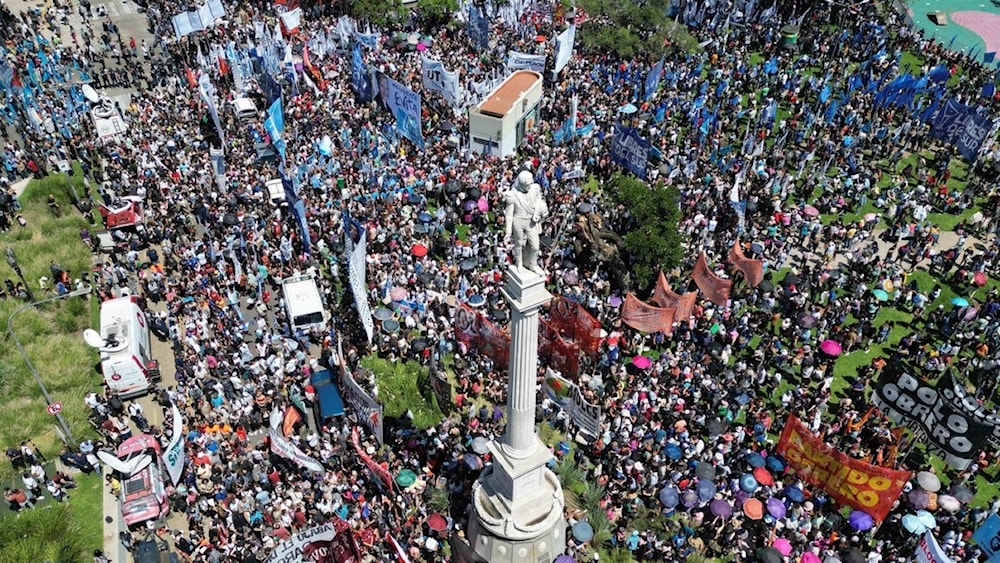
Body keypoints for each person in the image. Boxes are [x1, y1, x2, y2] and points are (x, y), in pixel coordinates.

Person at [504, 170, 549, 275]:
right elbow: (509, 215)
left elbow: (540, 202)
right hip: (518, 220)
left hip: (531, 220)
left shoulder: (535, 189)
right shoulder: (512, 195)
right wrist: (508, 232)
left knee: (535, 246)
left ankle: (532, 264)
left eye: (530, 184)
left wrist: (542, 209)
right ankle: (519, 263)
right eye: (527, 185)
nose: (529, 187)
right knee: (518, 244)